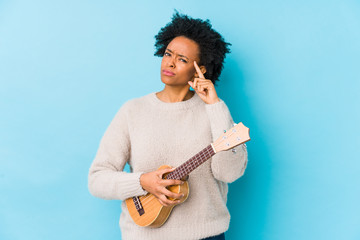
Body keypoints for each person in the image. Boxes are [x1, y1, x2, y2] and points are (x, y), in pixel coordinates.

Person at [88, 12, 248, 240]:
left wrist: (215, 104)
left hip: (206, 236)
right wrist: (142, 182)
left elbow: (230, 173)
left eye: (182, 59)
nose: (170, 62)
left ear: (199, 69)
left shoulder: (214, 112)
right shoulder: (132, 111)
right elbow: (97, 180)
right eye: (168, 54)